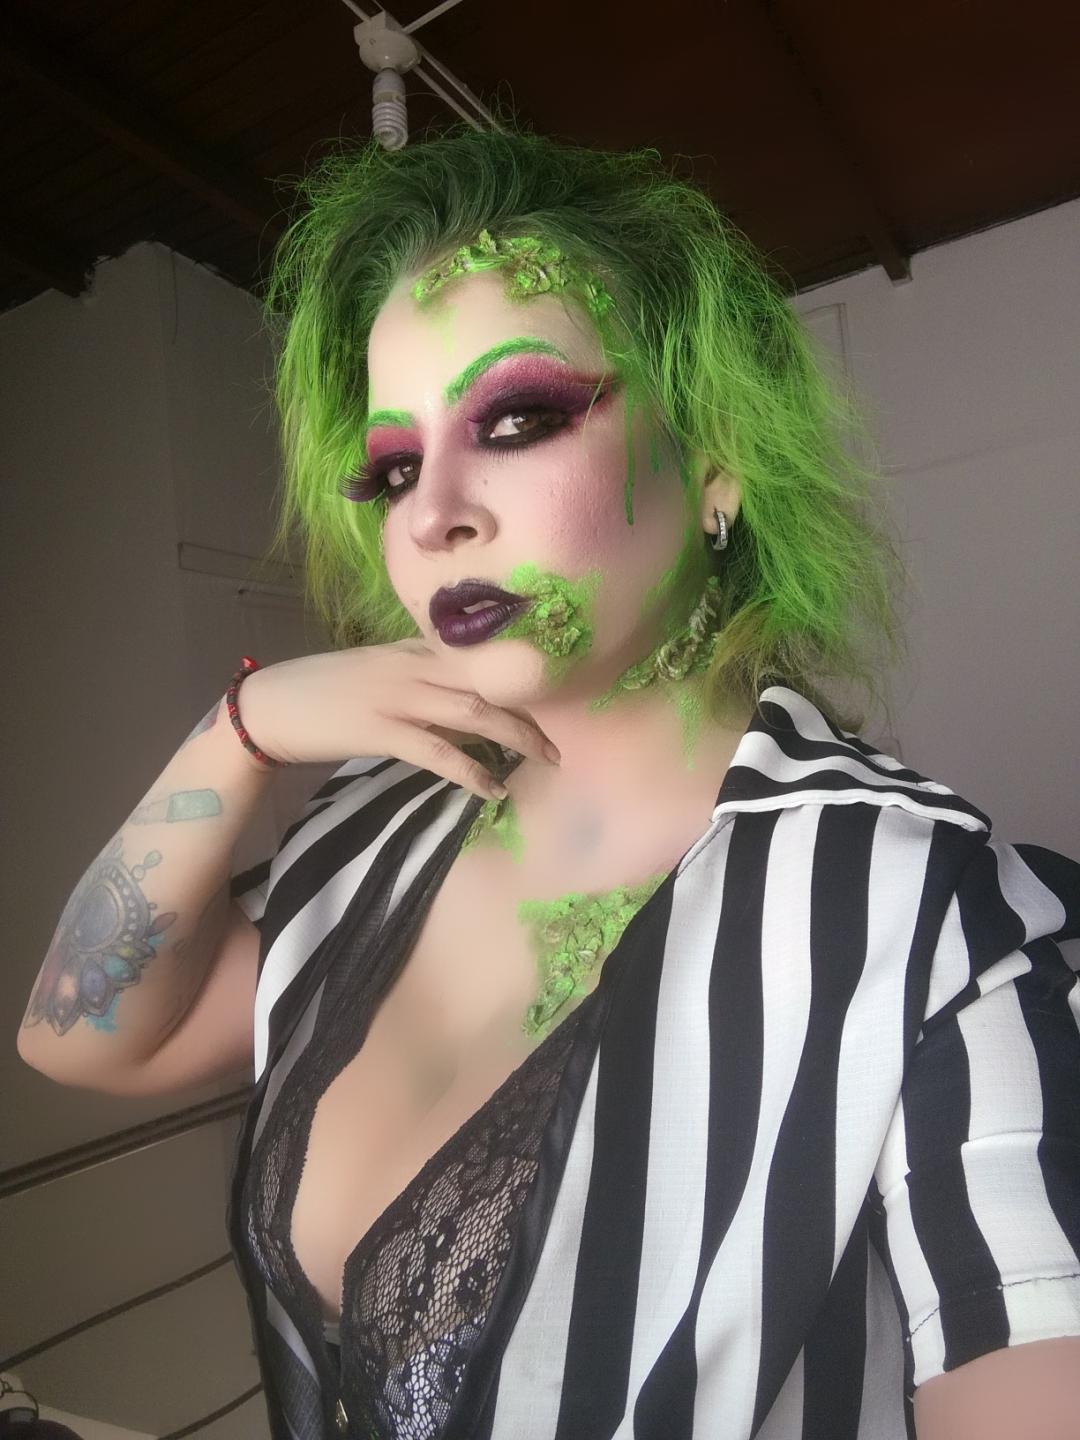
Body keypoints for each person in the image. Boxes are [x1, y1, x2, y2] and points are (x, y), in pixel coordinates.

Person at [18, 126, 1080, 1440]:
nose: (432, 516)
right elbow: (77, 1035)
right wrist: (232, 732)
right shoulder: (371, 827)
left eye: (517, 419)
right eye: (393, 466)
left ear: (715, 461)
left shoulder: (921, 916)